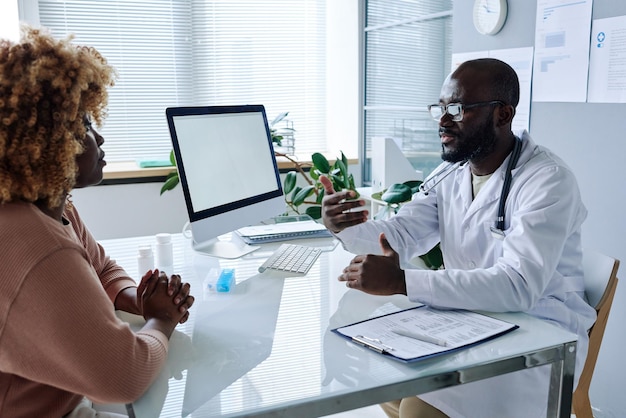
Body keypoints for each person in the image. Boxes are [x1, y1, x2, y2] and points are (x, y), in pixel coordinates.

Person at [320, 58, 596, 418]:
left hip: (538, 332)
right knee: (379, 375)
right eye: (440, 107)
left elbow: (518, 286)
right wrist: (342, 226)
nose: (442, 120)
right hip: (469, 320)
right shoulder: (450, 173)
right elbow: (401, 233)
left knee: (416, 408)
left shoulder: (547, 180)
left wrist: (405, 282)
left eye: (457, 108)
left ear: (502, 114)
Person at [0, 26, 195, 417]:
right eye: (86, 125)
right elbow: (125, 375)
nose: (100, 139)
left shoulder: (52, 206)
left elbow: (101, 267)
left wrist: (133, 299)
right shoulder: (35, 243)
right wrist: (162, 319)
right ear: (52, 140)